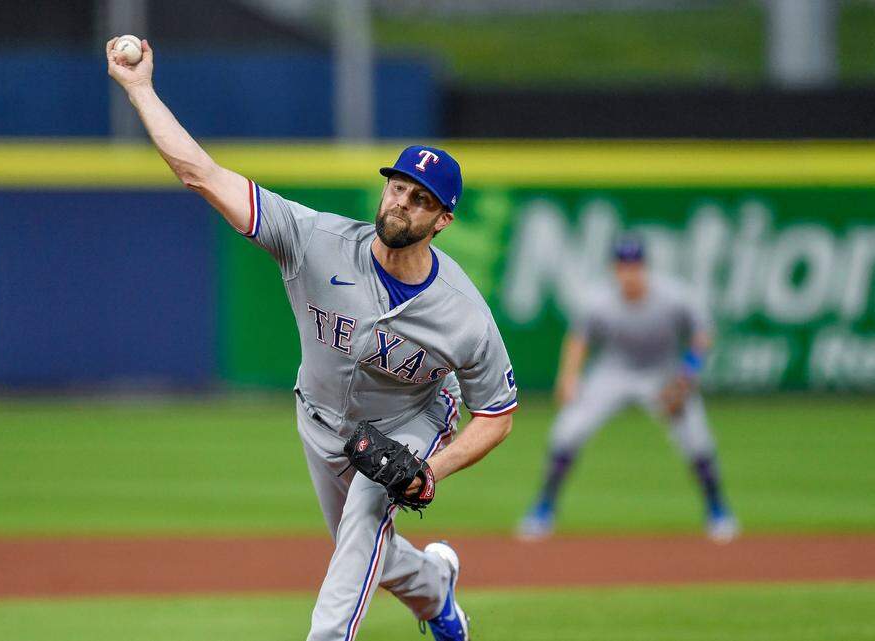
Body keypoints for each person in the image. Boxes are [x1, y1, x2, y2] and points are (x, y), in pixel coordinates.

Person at [108, 39, 518, 641]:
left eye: (421, 199)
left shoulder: (464, 316)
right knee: (367, 548)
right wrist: (140, 88)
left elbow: (498, 414)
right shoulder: (313, 239)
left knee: (359, 537)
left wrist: (430, 469)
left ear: (442, 220)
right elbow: (201, 173)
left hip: (412, 420)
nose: (403, 202)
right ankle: (437, 589)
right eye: (399, 187)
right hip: (321, 418)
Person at [517, 234, 738, 543]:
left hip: (663, 372)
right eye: (622, 265)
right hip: (614, 371)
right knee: (566, 432)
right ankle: (543, 509)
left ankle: (718, 510)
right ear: (614, 268)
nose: (628, 272)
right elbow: (579, 339)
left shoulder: (673, 295)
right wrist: (569, 377)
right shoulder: (598, 299)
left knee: (697, 441)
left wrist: (686, 376)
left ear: (644, 267)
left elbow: (702, 334)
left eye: (634, 265)